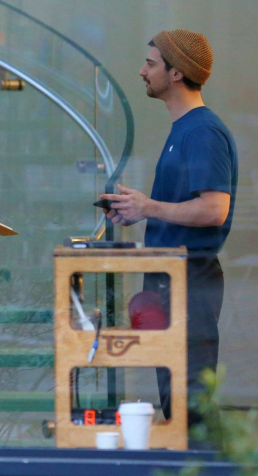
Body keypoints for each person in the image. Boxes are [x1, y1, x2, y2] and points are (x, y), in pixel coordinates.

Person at [101, 29, 238, 427]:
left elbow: (214, 209)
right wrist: (139, 211)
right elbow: (186, 206)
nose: (142, 71)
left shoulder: (202, 131)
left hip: (189, 279)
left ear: (177, 73)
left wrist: (149, 206)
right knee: (177, 403)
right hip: (171, 277)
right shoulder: (185, 129)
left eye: (150, 63)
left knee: (190, 405)